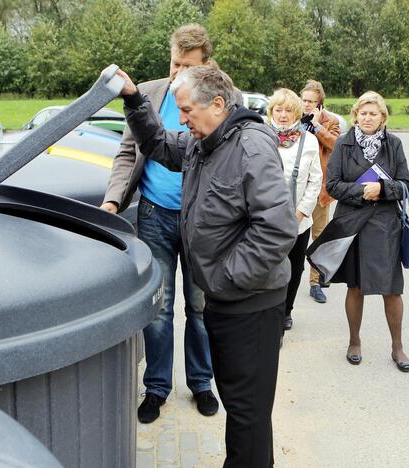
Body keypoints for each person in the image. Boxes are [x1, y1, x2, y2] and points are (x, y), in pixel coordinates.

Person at [116, 64, 297, 468]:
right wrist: (133, 100)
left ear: (218, 104)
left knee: (247, 409)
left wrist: (223, 278)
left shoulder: (249, 148)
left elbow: (278, 229)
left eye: (187, 111)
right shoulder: (205, 142)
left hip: (250, 303)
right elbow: (159, 144)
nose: (182, 120)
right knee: (239, 403)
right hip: (227, 299)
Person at [100, 24, 218, 424]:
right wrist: (113, 198)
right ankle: (156, 387)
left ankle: (202, 382)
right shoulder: (146, 93)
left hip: (200, 220)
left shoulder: (221, 98)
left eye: (187, 67)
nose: (176, 73)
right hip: (153, 215)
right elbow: (127, 151)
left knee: (200, 307)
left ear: (205, 66)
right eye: (174, 62)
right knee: (160, 307)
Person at [325, 91, 409, 371]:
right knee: (356, 286)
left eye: (373, 113)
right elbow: (332, 185)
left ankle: (397, 347)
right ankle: (354, 341)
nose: (367, 118)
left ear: (382, 117)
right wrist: (363, 191)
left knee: (392, 289)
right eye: (362, 113)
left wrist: (384, 189)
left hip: (386, 226)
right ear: (355, 115)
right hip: (353, 224)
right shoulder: (344, 143)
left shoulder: (394, 144)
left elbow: (406, 185)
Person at [267, 88, 322, 331]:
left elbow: (315, 180)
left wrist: (300, 214)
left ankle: (286, 310)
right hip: (265, 220)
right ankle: (267, 311)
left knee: (294, 267)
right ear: (271, 112)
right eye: (278, 110)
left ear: (297, 113)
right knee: (266, 268)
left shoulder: (309, 140)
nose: (283, 115)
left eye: (288, 110)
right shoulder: (262, 136)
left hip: (298, 220)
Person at [300, 80, 343, 303]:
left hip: (320, 189)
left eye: (311, 102)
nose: (306, 105)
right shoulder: (293, 116)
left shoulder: (330, 122)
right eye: (304, 100)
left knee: (318, 237)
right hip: (296, 188)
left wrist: (317, 126)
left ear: (320, 104)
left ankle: (315, 282)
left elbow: (336, 146)